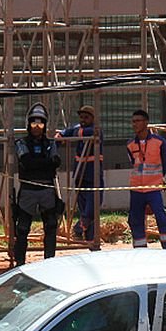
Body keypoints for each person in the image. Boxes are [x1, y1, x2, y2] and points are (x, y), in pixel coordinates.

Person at [13, 103, 62, 266]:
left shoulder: (50, 143)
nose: (37, 127)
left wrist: (42, 163)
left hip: (47, 190)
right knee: (22, 229)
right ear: (28, 124)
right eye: (33, 123)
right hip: (28, 190)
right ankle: (19, 264)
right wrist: (47, 162)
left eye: (40, 124)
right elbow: (26, 162)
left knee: (51, 226)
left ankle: (49, 263)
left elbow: (55, 162)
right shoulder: (22, 143)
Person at [126, 109, 166, 251]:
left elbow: (165, 163)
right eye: (133, 121)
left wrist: (158, 179)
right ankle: (140, 248)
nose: (134, 124)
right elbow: (133, 163)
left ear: (146, 123)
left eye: (138, 121)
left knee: (161, 217)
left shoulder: (159, 142)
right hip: (136, 189)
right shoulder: (130, 144)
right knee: (135, 219)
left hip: (153, 188)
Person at [57, 104, 104, 242]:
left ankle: (78, 229)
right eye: (81, 117)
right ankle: (90, 240)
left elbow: (78, 132)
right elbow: (69, 132)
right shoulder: (80, 129)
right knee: (84, 209)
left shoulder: (95, 130)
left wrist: (67, 133)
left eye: (86, 117)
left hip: (93, 174)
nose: (83, 119)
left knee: (93, 207)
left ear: (93, 118)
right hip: (79, 174)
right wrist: (60, 135)